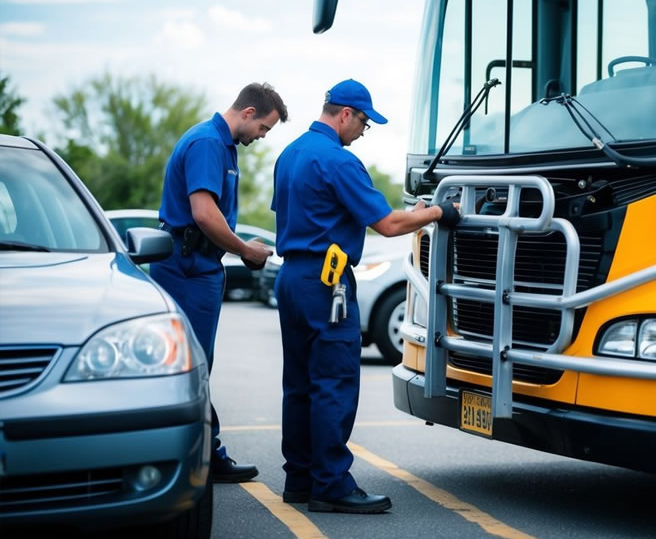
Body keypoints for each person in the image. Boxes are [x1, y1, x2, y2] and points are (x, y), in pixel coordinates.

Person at [272, 78, 460, 513]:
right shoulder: (339, 161)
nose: (362, 131)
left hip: (293, 279)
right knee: (334, 383)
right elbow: (388, 226)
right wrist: (438, 213)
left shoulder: (290, 154)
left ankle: (299, 480)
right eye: (364, 123)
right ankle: (332, 485)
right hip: (327, 283)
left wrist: (408, 214)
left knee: (299, 384)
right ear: (344, 115)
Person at [152, 81, 288, 483]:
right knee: (189, 367)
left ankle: (201, 456)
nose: (262, 137)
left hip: (199, 265)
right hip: (188, 267)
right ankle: (197, 460)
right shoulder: (209, 143)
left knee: (194, 366)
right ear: (248, 113)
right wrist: (245, 249)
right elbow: (204, 215)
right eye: (264, 128)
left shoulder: (222, 145)